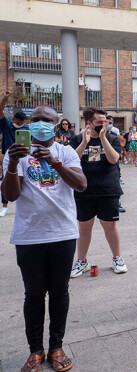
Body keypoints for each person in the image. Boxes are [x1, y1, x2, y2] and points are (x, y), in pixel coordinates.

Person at [3, 106, 87, 372]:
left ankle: (56, 347)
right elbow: (10, 195)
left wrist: (54, 162)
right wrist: (15, 164)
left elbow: (81, 184)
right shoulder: (15, 153)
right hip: (29, 236)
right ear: (28, 124)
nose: (40, 124)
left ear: (56, 125)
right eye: (35, 120)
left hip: (62, 233)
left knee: (60, 291)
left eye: (46, 120)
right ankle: (35, 351)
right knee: (34, 294)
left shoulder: (66, 152)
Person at [69, 108, 128, 278]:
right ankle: (82, 261)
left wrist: (103, 138)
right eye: (99, 123)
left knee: (109, 225)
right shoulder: (76, 139)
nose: (103, 125)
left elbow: (113, 159)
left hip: (108, 190)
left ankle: (117, 258)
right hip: (83, 190)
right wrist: (84, 143)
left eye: (105, 122)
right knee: (84, 226)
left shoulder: (111, 138)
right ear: (89, 123)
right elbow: (71, 160)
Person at [0, 91, 29, 217]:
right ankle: (4, 206)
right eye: (18, 121)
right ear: (14, 119)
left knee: (25, 180)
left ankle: (25, 204)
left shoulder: (26, 129)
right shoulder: (7, 125)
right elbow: (0, 112)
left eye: (22, 122)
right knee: (7, 180)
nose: (20, 123)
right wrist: (5, 98)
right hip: (9, 157)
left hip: (24, 157)